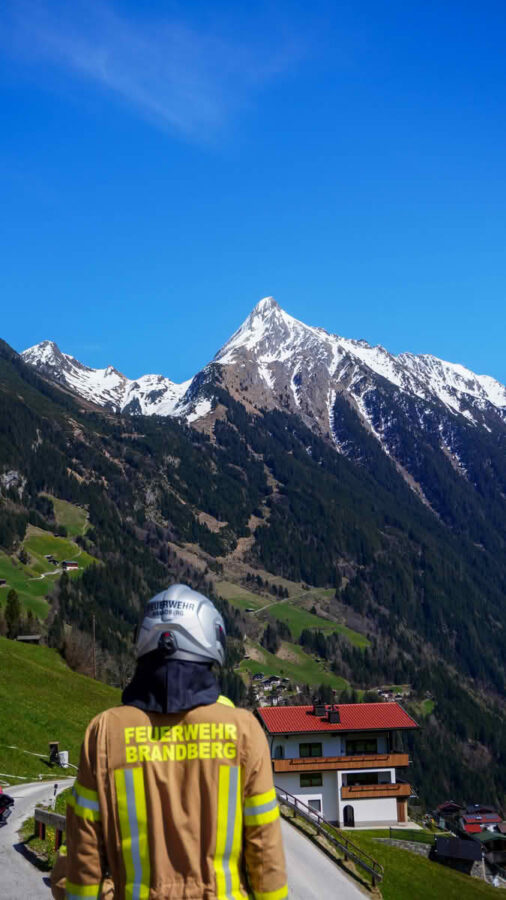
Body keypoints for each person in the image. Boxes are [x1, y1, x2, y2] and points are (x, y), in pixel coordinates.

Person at [51, 583, 288, 900]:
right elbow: (265, 853)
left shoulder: (104, 732)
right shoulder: (243, 730)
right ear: (210, 639)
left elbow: (83, 861)